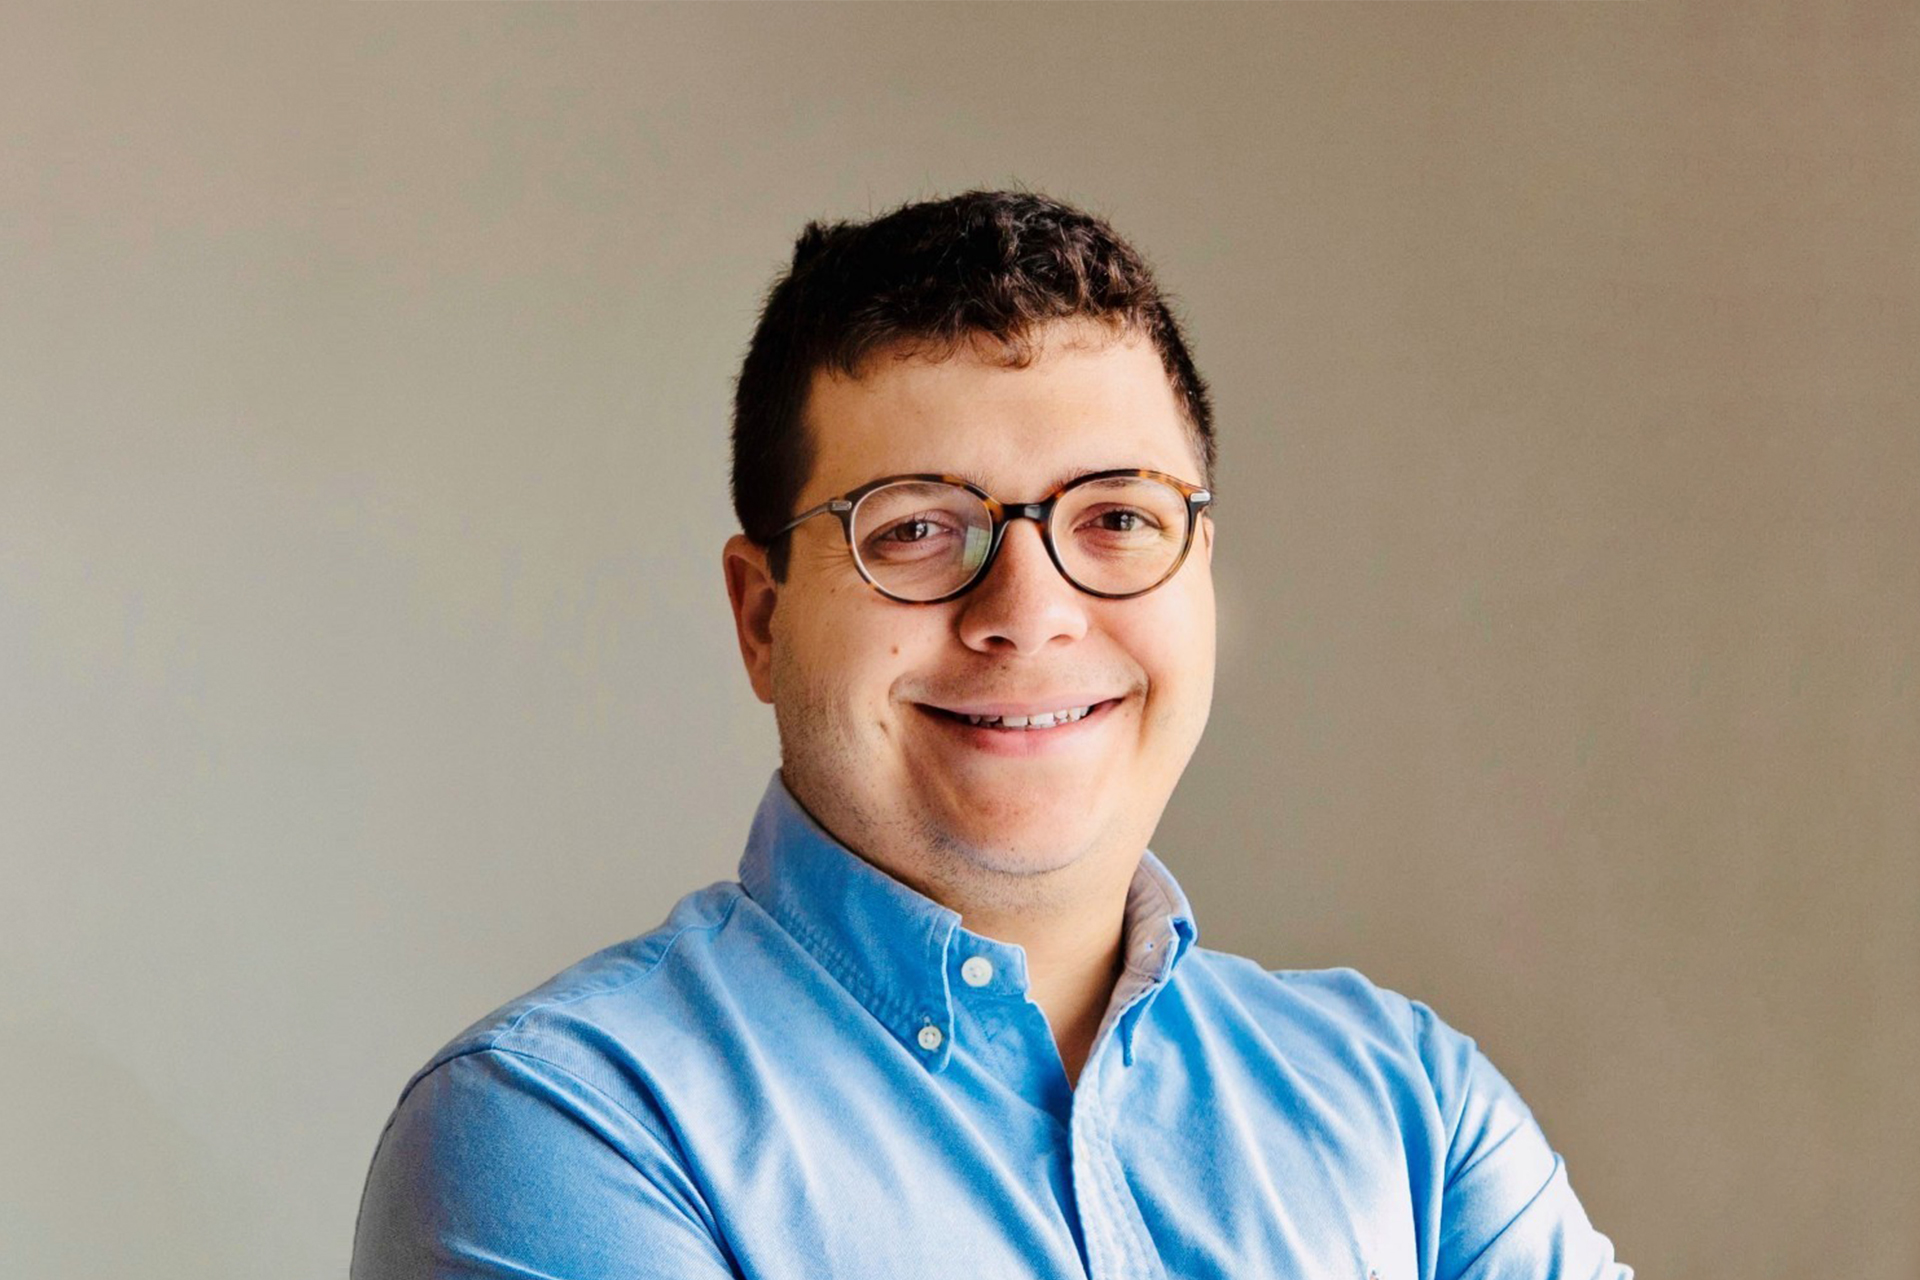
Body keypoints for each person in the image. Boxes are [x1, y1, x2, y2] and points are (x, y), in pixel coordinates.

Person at [352, 191, 1630, 1279]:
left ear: (1200, 574)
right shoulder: (560, 1131)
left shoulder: (1413, 1112)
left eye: (1117, 519)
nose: (1028, 612)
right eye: (914, 528)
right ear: (762, 616)